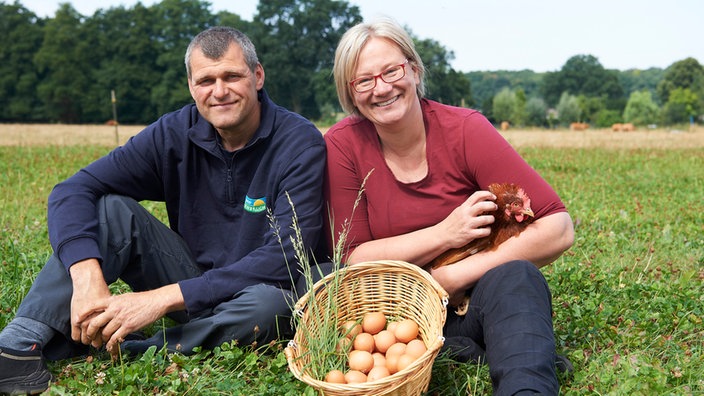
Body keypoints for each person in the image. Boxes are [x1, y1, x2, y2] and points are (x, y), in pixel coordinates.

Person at [0, 26, 326, 394]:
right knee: (112, 210)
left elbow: (286, 257)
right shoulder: (174, 133)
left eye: (232, 76)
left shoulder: (299, 142)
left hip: (255, 292)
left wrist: (160, 299)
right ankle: (18, 346)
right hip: (187, 273)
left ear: (258, 76)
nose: (219, 91)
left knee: (273, 306)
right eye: (206, 80)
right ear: (191, 86)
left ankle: (138, 349)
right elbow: (73, 190)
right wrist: (87, 278)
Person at [324, 18, 574, 396]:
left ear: (414, 69)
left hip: (469, 300)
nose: (382, 88)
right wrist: (445, 233)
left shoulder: (464, 130)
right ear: (351, 91)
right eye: (364, 80)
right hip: (394, 318)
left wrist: (453, 279)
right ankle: (491, 349)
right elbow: (354, 258)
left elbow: (558, 227)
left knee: (517, 279)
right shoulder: (343, 145)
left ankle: (525, 384)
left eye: (392, 71)